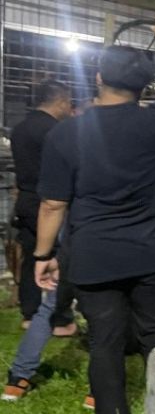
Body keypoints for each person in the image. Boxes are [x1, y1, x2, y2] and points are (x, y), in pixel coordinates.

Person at [32, 11, 155, 414]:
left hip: (95, 256)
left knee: (104, 342)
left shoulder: (66, 134)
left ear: (99, 77)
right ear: (144, 87)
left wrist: (43, 255)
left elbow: (52, 204)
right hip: (153, 254)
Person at [10, 79, 74, 333]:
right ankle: (59, 319)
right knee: (59, 259)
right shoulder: (56, 131)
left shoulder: (20, 129)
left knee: (32, 257)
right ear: (59, 102)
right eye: (68, 102)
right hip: (50, 203)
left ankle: (30, 313)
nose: (69, 108)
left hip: (25, 199)